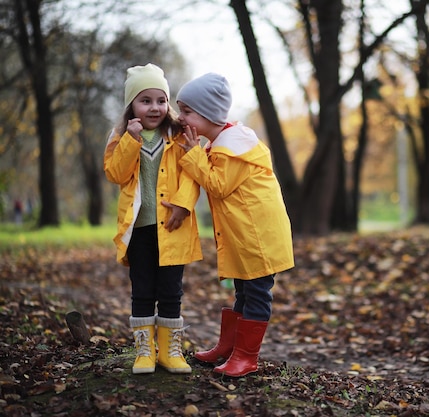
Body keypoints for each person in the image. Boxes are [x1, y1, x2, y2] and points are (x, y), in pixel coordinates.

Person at [176, 73, 294, 377]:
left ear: (208, 115)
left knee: (256, 293)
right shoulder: (222, 144)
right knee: (242, 292)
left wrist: (191, 155)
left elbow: (217, 185)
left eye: (187, 111)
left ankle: (246, 357)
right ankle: (229, 348)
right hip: (245, 236)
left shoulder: (235, 147)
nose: (180, 117)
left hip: (259, 238)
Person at [103, 63, 203, 375]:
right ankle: (144, 352)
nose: (155, 107)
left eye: (161, 100)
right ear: (131, 104)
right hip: (139, 231)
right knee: (143, 289)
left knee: (171, 290)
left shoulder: (177, 136)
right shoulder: (120, 136)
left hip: (173, 228)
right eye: (145, 100)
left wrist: (183, 206)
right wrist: (130, 141)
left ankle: (170, 352)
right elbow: (115, 174)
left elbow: (193, 174)